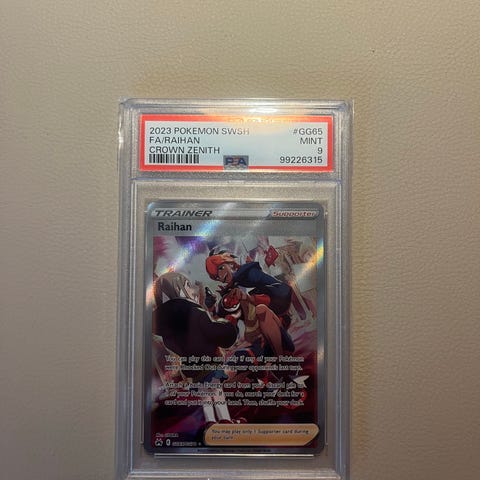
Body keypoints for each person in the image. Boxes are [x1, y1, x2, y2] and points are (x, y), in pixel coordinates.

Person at [153, 272, 238, 427]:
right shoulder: (195, 313)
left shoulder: (168, 326)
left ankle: (210, 422)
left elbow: (172, 346)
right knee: (217, 392)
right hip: (209, 363)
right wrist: (227, 325)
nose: (193, 289)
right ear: (179, 289)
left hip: (192, 368)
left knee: (205, 395)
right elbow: (213, 331)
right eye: (188, 285)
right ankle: (225, 419)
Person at [205, 250, 295, 357]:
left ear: (230, 263)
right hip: (259, 331)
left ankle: (280, 356)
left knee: (261, 310)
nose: (221, 276)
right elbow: (226, 318)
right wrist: (213, 307)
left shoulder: (250, 273)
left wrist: (249, 298)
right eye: (216, 277)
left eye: (221, 268)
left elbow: (281, 291)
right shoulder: (232, 288)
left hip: (276, 311)